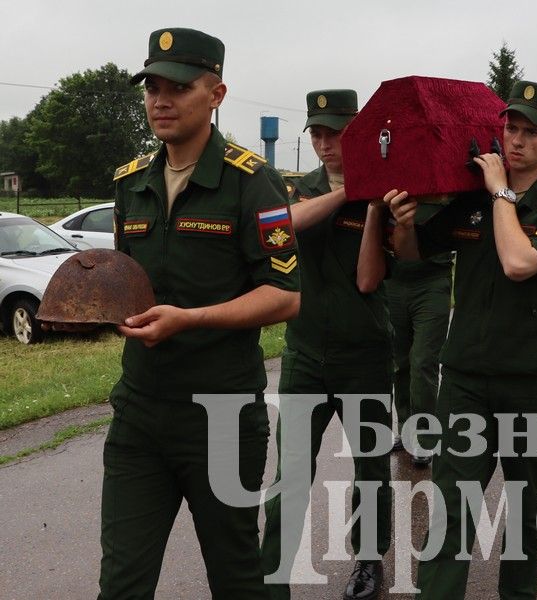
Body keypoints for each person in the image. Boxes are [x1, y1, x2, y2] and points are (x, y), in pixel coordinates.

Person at [99, 28, 301, 599]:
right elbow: (126, 279)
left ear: (216, 94)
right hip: (139, 414)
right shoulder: (130, 183)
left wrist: (189, 318)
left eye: (179, 88)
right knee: (121, 584)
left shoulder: (252, 182)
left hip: (221, 419)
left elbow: (286, 295)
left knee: (237, 579)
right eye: (153, 88)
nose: (161, 100)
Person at [386, 80, 537, 600]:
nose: (516, 141)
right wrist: (403, 224)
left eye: (531, 132)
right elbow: (414, 253)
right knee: (453, 507)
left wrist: (501, 193)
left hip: (534, 379)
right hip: (468, 376)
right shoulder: (470, 199)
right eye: (510, 128)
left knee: (524, 511)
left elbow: (520, 263)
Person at [260, 89, 392, 600]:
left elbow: (368, 280)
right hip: (304, 352)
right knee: (290, 469)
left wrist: (374, 202)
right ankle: (271, 567)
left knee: (371, 468)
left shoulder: (385, 193)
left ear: (355, 133)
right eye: (315, 132)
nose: (323, 142)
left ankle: (368, 560)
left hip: (364, 353)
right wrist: (348, 191)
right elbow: (283, 228)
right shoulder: (295, 188)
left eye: (333, 132)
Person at [385, 250, 453, 467]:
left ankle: (425, 437)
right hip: (393, 278)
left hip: (432, 278)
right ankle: (407, 431)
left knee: (423, 362)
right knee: (399, 363)